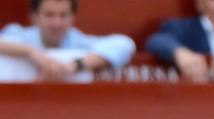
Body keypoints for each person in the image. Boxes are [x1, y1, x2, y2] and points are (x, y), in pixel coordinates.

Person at [0, 0, 135, 82]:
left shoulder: (78, 41)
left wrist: (73, 66)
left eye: (63, 15)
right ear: (34, 17)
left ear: (73, 17)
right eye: (49, 15)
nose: (57, 23)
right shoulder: (19, 35)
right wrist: (31, 51)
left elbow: (124, 44)